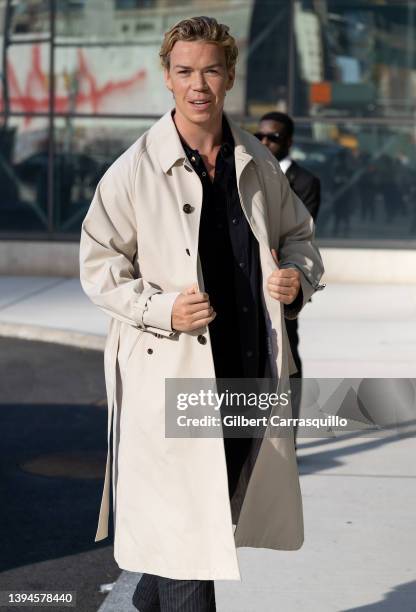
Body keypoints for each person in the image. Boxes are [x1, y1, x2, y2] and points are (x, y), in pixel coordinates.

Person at [79, 16, 324, 612]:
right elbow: (98, 266)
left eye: (210, 70)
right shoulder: (134, 170)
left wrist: (298, 278)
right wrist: (162, 308)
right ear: (167, 78)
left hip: (248, 373)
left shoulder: (257, 164)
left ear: (230, 76)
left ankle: (147, 603)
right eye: (185, 71)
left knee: (205, 520)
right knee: (192, 540)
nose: (198, 85)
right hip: (176, 379)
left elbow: (300, 238)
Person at [256, 112, 321, 443]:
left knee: (287, 359)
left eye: (273, 137)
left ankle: (288, 438)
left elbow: (298, 237)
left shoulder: (306, 182)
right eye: (261, 135)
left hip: (283, 286)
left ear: (289, 142)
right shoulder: (246, 174)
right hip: (250, 285)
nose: (265, 142)